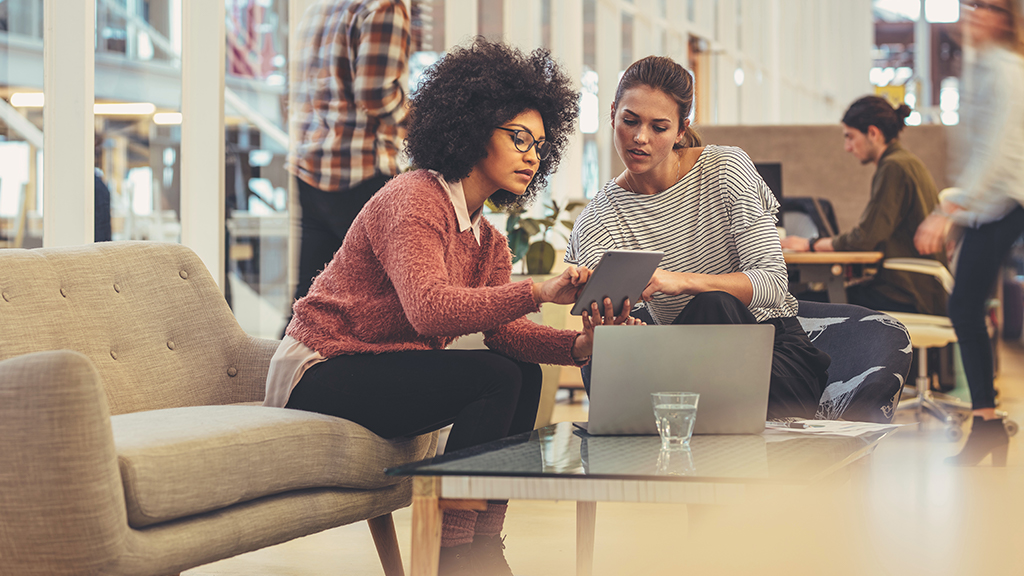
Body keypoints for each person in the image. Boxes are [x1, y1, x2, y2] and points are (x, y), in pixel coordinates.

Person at [265, 39, 639, 576]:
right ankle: (453, 552)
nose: (532, 154)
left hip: (380, 364)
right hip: (322, 367)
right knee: (492, 377)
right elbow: (429, 311)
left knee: (521, 373)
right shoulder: (413, 198)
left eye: (539, 143)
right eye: (518, 137)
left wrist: (578, 345)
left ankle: (481, 541)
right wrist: (537, 290)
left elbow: (506, 334)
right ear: (470, 127)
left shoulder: (488, 239)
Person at [566, 55, 831, 420]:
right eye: (629, 121)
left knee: (713, 305)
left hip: (772, 361)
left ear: (680, 129)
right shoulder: (597, 219)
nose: (640, 138)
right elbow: (625, 334)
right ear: (612, 113)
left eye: (659, 127)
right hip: (680, 367)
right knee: (606, 352)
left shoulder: (726, 169)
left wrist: (680, 282)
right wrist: (609, 323)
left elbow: (772, 281)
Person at [915, 0, 1024, 466]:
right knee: (968, 305)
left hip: (1007, 201)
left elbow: (996, 151)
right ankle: (986, 423)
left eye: (984, 8)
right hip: (992, 205)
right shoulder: (980, 69)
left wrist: (952, 211)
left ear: (1003, 18)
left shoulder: (1005, 69)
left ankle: (987, 423)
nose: (971, 16)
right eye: (967, 7)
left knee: (964, 304)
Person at [284, 0, 411, 335]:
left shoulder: (322, 6)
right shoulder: (384, 6)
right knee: (386, 307)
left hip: (311, 168)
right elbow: (375, 93)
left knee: (308, 301)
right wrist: (421, 121)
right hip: (361, 169)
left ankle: (278, 381)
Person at [780, 95, 946, 315]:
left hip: (907, 293)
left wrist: (809, 245)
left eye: (850, 137)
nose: (847, 147)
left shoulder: (894, 168)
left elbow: (864, 239)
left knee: (798, 305)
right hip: (921, 290)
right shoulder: (906, 162)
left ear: (873, 133)